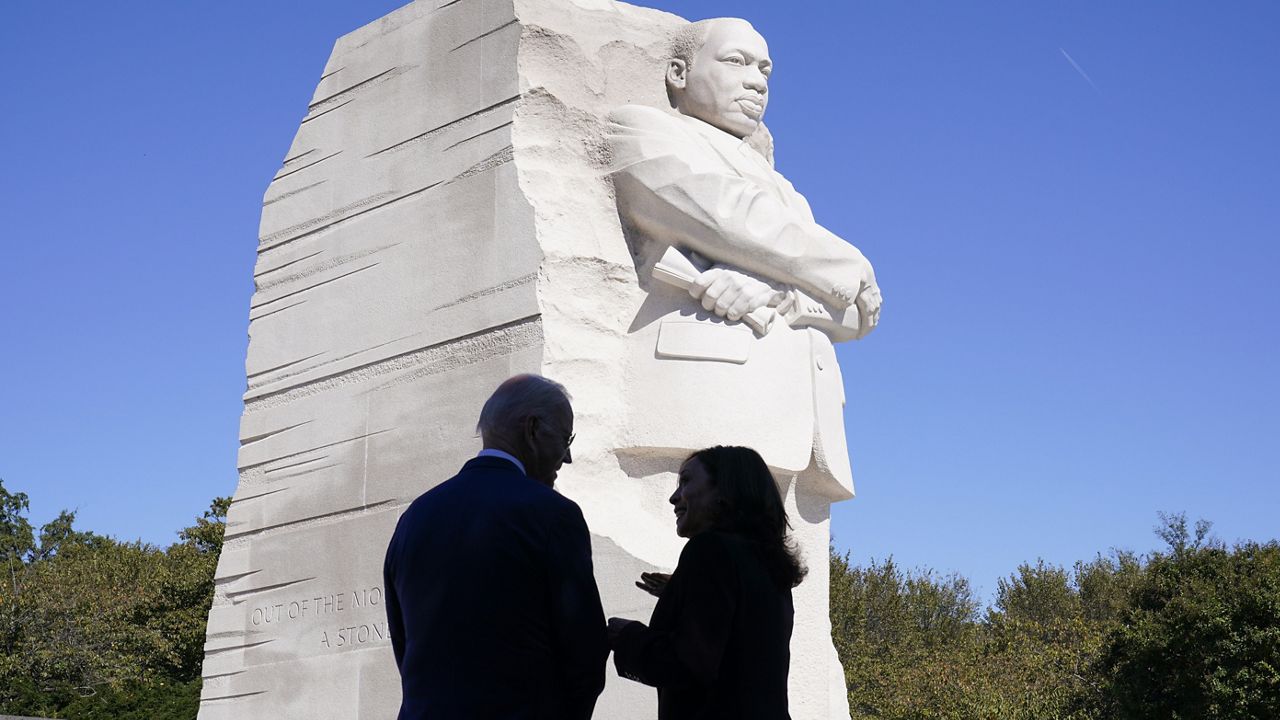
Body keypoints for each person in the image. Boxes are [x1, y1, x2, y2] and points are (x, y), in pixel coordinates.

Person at [382, 374, 608, 720]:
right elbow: (585, 654)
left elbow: (404, 642)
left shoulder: (415, 518)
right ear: (532, 429)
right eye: (565, 439)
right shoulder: (552, 514)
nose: (567, 458)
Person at [607, 446, 806, 720]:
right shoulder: (768, 568)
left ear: (724, 491)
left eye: (686, 481)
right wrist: (682, 593)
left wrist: (627, 636)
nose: (673, 497)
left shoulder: (710, 549)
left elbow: (688, 664)